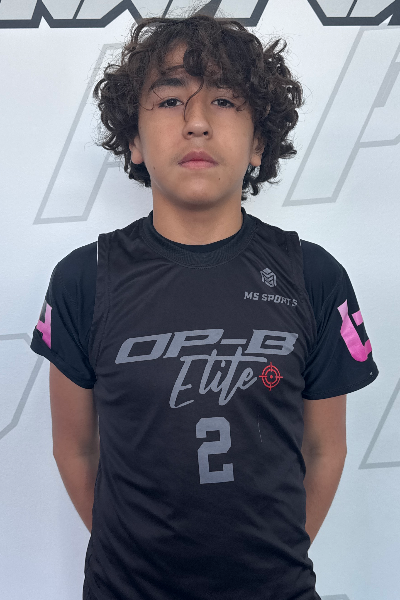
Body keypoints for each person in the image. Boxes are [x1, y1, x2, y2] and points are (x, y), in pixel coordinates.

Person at [30, 12, 378, 600]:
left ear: (258, 142)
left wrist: (267, 567)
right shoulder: (82, 280)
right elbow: (76, 447)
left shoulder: (314, 276)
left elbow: (325, 450)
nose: (196, 122)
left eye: (223, 100)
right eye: (169, 101)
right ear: (134, 142)